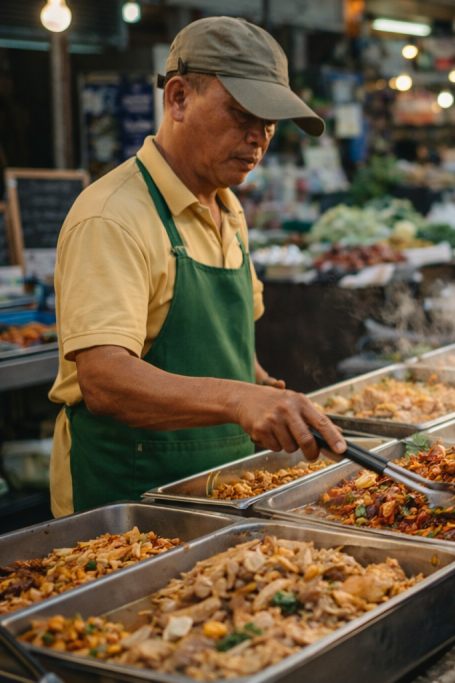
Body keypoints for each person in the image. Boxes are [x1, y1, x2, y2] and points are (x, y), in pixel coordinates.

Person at [48, 17, 347, 516]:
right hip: (127, 512)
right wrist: (237, 400)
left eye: (270, 122)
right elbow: (104, 380)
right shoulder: (112, 217)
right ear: (179, 98)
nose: (259, 138)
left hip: (223, 495)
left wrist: (263, 389)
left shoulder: (227, 207)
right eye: (242, 114)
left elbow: (224, 347)